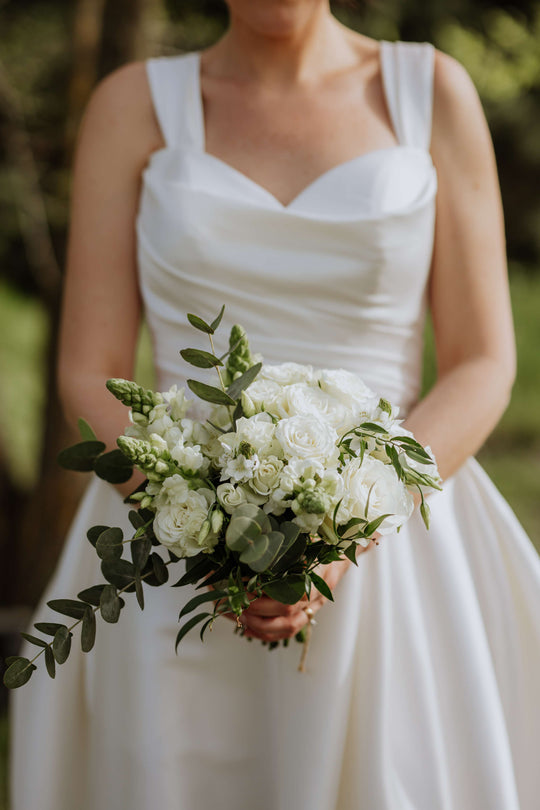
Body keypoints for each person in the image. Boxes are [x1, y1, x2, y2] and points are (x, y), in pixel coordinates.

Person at [10, 1, 540, 808]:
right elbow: (89, 373)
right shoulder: (131, 105)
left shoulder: (430, 91)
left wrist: (348, 525)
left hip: (396, 546)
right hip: (167, 559)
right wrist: (218, 532)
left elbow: (483, 362)